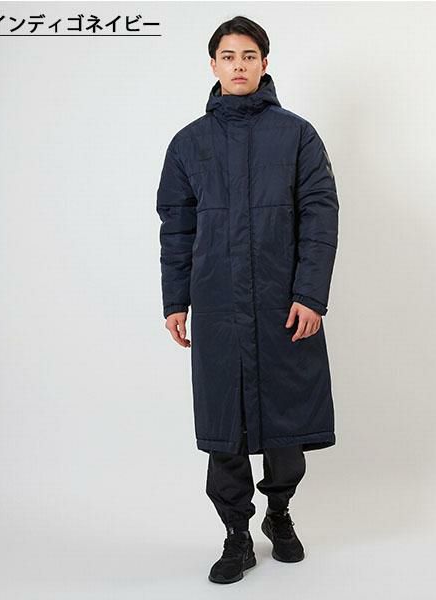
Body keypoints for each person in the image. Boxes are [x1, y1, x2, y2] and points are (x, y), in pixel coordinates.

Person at [156, 15, 339, 584]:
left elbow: (320, 218)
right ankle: (236, 532)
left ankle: (279, 514)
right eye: (229, 56)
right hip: (217, 307)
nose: (239, 65)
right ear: (213, 65)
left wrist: (310, 294)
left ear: (265, 63)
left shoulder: (297, 135)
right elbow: (176, 228)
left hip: (284, 305)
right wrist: (175, 301)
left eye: (249, 55)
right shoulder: (189, 143)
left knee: (286, 423)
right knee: (225, 426)